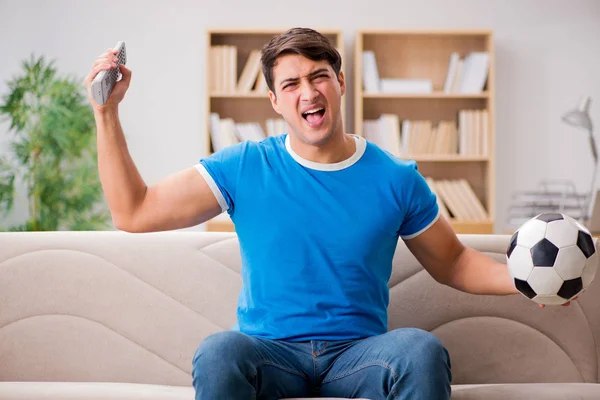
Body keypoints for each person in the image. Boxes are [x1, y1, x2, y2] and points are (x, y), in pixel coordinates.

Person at [85, 27, 572, 400]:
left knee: (421, 351)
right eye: (291, 83)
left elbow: (454, 262)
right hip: (268, 353)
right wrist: (106, 114)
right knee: (219, 351)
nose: (308, 92)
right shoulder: (244, 166)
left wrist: (530, 280)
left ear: (339, 83)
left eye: (319, 76)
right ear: (275, 101)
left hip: (359, 355)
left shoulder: (396, 177)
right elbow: (134, 211)